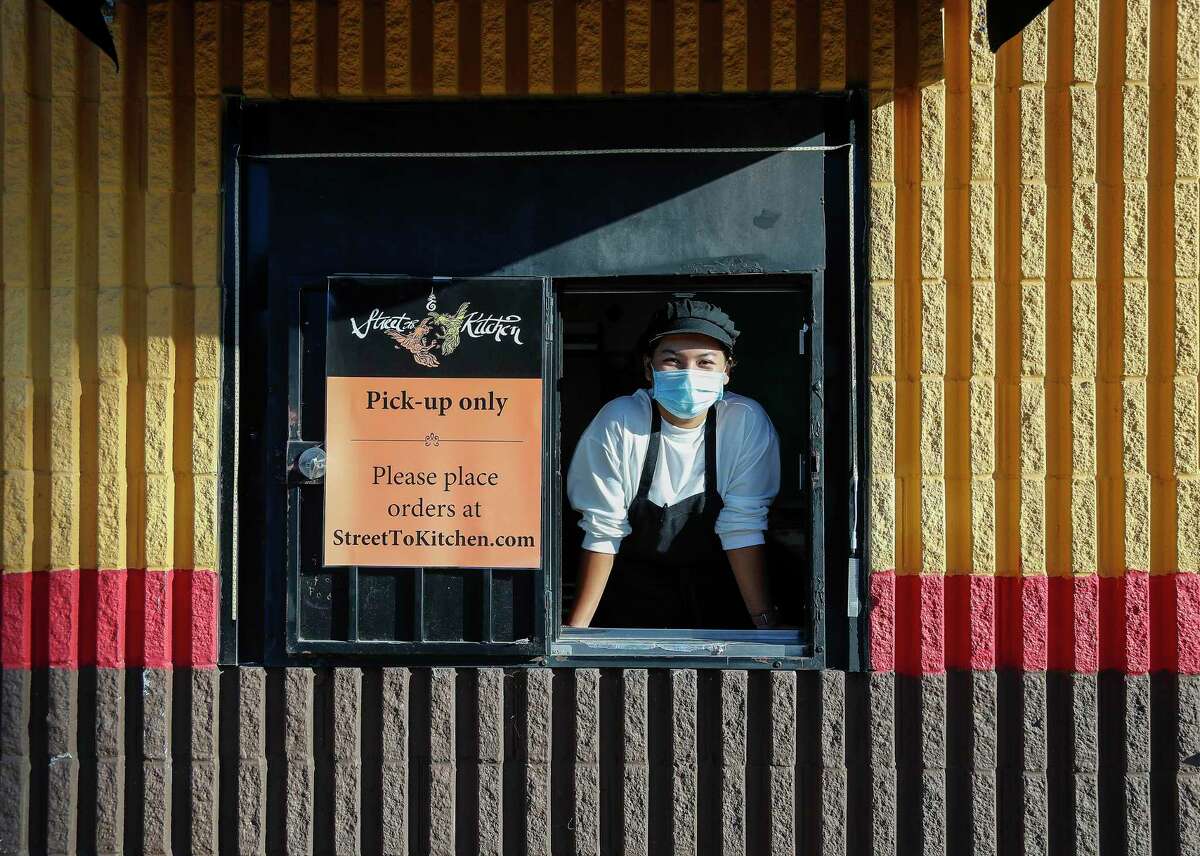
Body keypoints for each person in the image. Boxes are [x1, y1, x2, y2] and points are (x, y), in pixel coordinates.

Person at [565, 298, 782, 629]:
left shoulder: (744, 422)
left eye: (705, 363)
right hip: (632, 598)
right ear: (648, 368)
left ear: (726, 372)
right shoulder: (619, 421)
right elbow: (602, 531)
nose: (688, 374)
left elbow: (743, 526)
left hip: (721, 593)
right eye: (672, 360)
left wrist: (766, 626)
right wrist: (574, 636)